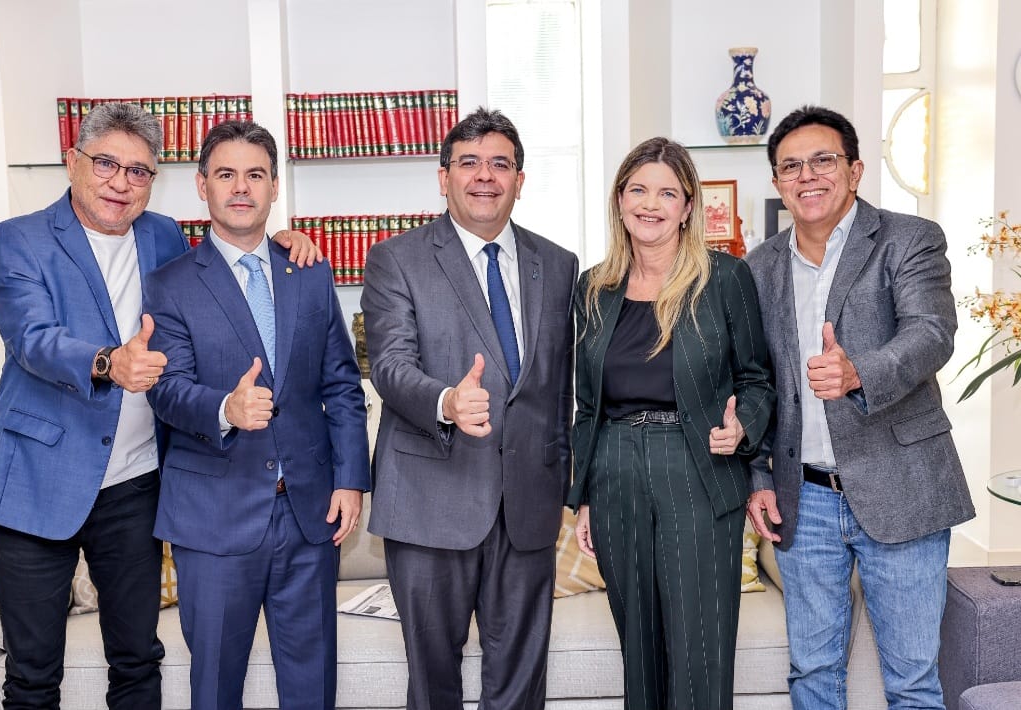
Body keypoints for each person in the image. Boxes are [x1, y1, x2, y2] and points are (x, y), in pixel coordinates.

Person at [0, 102, 320, 709]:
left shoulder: (162, 235)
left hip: (135, 484)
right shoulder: (18, 239)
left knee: (137, 662)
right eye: (106, 164)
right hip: (38, 480)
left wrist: (280, 245)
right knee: (31, 676)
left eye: (139, 171)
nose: (121, 182)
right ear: (72, 162)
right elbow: (31, 339)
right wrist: (109, 362)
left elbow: (218, 269)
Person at [744, 105, 975, 710]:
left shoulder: (910, 238)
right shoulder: (759, 267)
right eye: (790, 166)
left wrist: (857, 373)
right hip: (805, 498)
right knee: (813, 673)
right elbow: (756, 381)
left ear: (854, 170)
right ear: (777, 182)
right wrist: (759, 476)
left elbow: (931, 333)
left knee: (912, 682)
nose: (807, 176)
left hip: (903, 483)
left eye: (822, 160)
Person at [144, 120, 369, 710]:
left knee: (312, 686)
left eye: (255, 175)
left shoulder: (310, 271)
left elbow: (342, 383)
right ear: (202, 186)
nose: (241, 187)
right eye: (226, 175)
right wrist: (224, 407)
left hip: (310, 514)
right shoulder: (170, 285)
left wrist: (350, 478)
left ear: (273, 187)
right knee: (216, 688)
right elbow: (164, 390)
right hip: (213, 519)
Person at [360, 107, 578, 710]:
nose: (485, 176)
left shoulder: (559, 265)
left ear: (519, 180)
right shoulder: (395, 259)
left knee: (520, 687)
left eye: (500, 164)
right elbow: (390, 365)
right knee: (434, 685)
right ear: (444, 177)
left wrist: (568, 481)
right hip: (430, 499)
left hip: (529, 505)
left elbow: (562, 387)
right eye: (469, 163)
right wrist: (447, 401)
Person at [569, 137, 775, 710]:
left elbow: (757, 379)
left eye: (666, 193)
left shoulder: (725, 278)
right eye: (637, 190)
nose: (650, 204)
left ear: (688, 206)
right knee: (639, 647)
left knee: (698, 645)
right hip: (615, 471)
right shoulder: (593, 288)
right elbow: (586, 403)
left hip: (697, 466)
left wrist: (742, 428)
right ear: (619, 201)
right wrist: (583, 496)